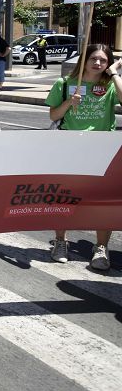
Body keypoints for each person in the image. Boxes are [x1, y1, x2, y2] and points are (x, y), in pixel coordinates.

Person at [46, 44, 122, 269]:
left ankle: (101, 247)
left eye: (103, 61)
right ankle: (60, 242)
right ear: (84, 60)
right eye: (93, 59)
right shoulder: (65, 84)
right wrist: (70, 102)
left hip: (102, 150)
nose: (98, 64)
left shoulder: (109, 86)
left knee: (102, 201)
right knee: (64, 197)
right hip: (70, 147)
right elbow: (53, 114)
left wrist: (115, 73)